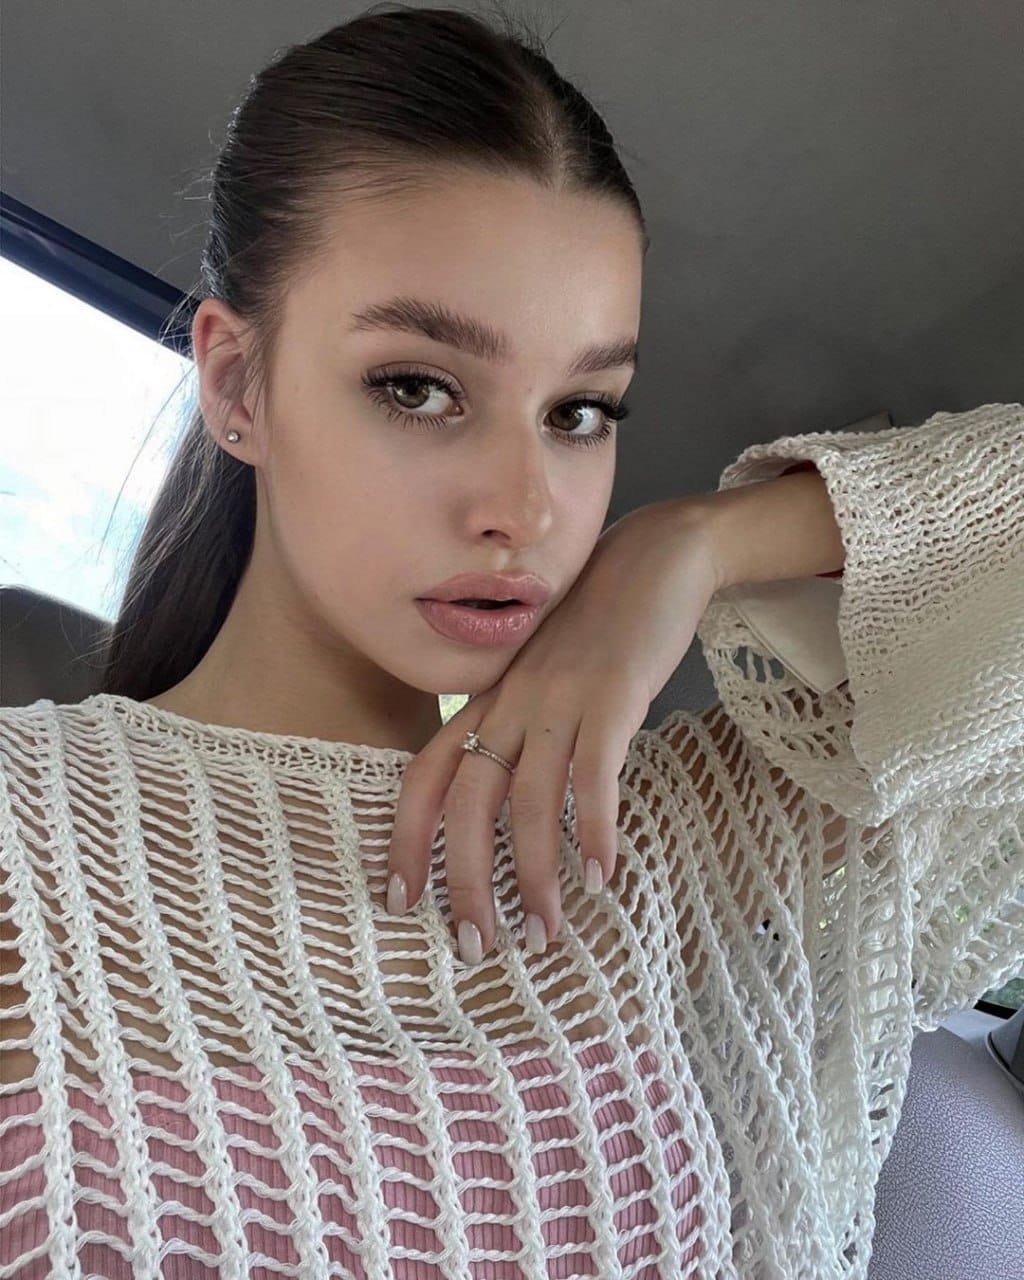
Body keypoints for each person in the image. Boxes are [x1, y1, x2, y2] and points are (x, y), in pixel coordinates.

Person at [1, 5, 1021, 1278]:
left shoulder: (688, 837)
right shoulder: (25, 823)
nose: (526, 509)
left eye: (580, 410)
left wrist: (688, 546)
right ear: (236, 385)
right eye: (418, 387)